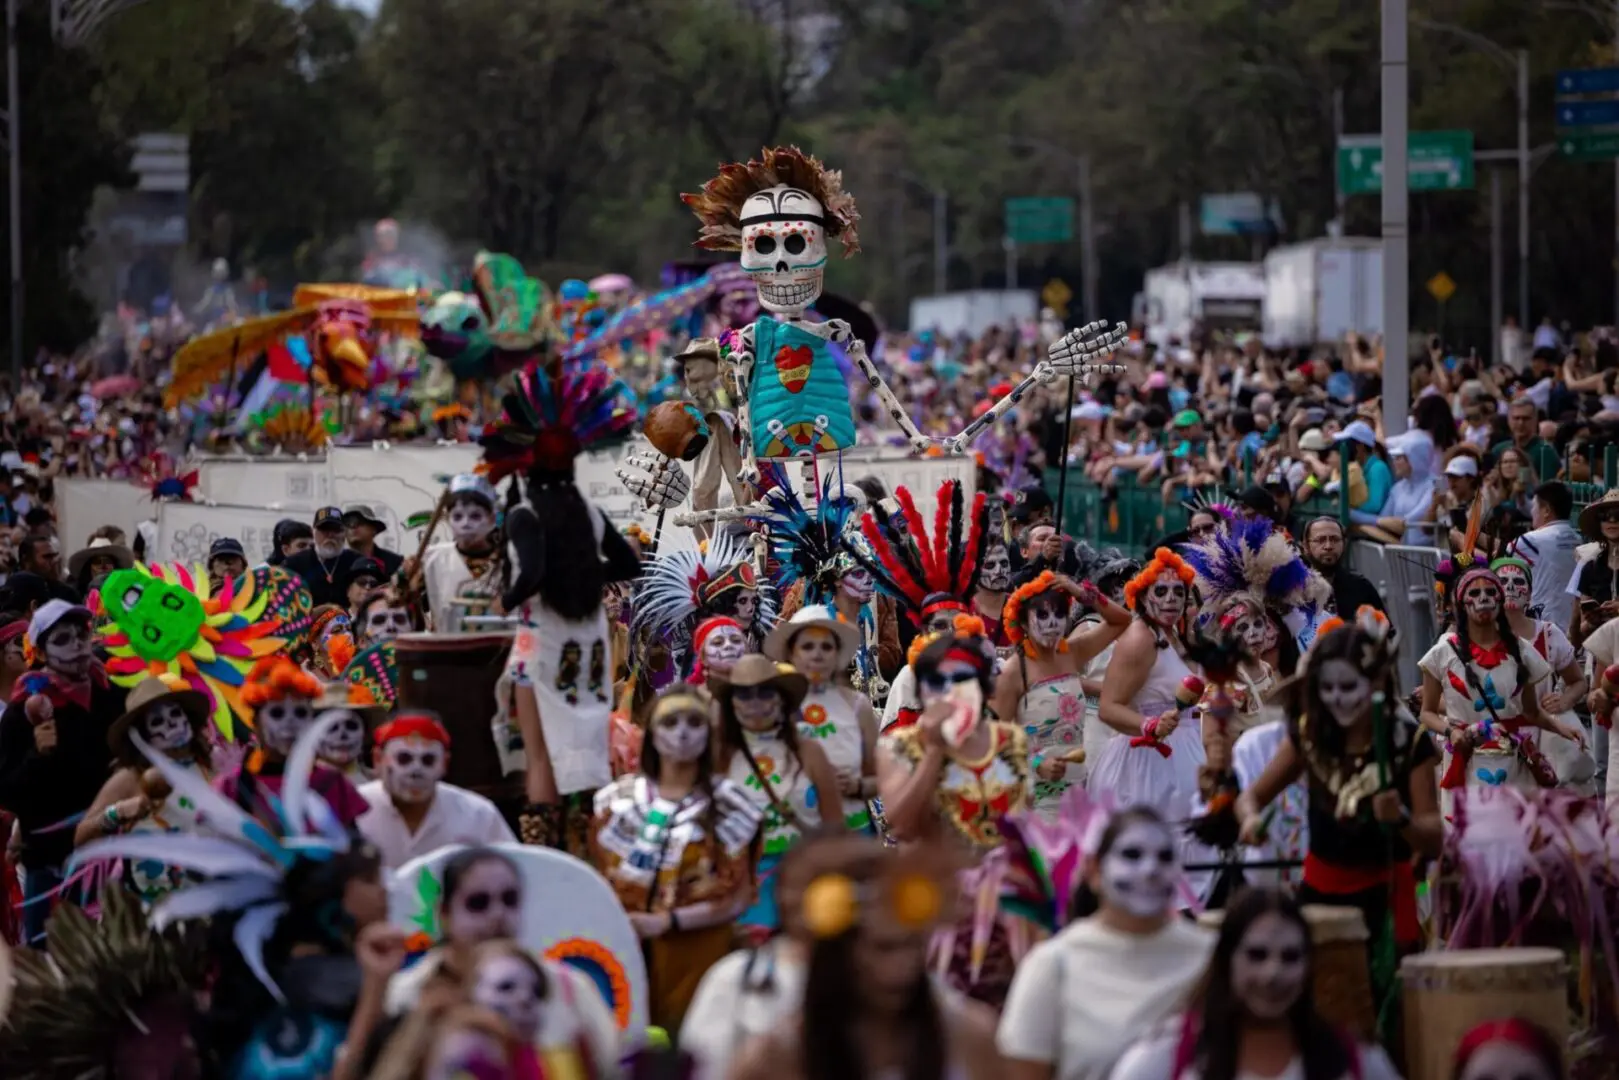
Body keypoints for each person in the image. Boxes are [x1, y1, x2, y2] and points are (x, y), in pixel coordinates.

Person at [1236, 615, 1442, 1011]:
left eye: (1349, 687)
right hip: (1320, 895)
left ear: (1377, 684)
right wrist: (1248, 820)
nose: (1338, 699)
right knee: (1322, 1004)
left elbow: (1433, 838)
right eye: (1327, 688)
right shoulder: (1311, 736)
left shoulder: (1408, 742)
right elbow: (1251, 797)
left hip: (1388, 895)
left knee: (1391, 1008)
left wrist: (1400, 817)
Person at [483, 356, 642, 854]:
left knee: (540, 755)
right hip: (590, 644)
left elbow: (529, 573)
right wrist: (585, 574)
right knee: (586, 741)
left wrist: (506, 599)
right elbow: (628, 564)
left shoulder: (525, 514)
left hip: (542, 642)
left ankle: (547, 847)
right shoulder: (588, 512)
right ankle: (588, 840)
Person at [727, 835, 1003, 1080]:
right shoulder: (776, 1057)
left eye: (912, 946)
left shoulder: (969, 1038)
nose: (901, 968)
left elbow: (883, 819)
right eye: (883, 948)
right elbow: (879, 815)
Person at [997, 806, 1216, 1080]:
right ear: (1094, 871)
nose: (1150, 870)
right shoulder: (1052, 965)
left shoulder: (1213, 956)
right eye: (1132, 855)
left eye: (1165, 857)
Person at [590, 686, 762, 1030]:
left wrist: (671, 922)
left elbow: (739, 894)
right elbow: (594, 880)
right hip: (626, 948)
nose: (682, 733)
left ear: (708, 733)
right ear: (651, 733)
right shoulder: (614, 801)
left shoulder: (734, 804)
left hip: (699, 952)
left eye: (694, 722)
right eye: (670, 722)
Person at [1107, 888, 1400, 1080]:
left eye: (1290, 957)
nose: (1273, 974)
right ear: (1226, 960)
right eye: (1256, 955)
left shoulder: (1353, 1059)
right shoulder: (1167, 1057)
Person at [0, 599, 125, 946]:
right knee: (47, 962)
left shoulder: (114, 696)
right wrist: (37, 756)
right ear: (40, 651)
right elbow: (7, 791)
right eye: (62, 639)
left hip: (110, 855)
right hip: (49, 861)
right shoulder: (22, 713)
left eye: (82, 636)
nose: (77, 646)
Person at [1417, 566, 1580, 795]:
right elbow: (1427, 712)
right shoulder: (1442, 653)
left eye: (1491, 592)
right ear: (1462, 604)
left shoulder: (1522, 651)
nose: (1483, 598)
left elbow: (1531, 712)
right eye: (1474, 593)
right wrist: (1451, 732)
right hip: (1465, 759)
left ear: (1500, 601)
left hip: (1511, 762)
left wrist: (1563, 729)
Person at [713, 654, 843, 938]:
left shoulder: (809, 752)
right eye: (744, 695)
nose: (754, 703)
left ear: (781, 698)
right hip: (744, 888)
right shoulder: (718, 758)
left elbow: (835, 828)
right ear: (731, 703)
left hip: (805, 882)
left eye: (764, 692)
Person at [991, 571, 1131, 812]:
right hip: (1034, 797)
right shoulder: (1014, 672)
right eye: (1042, 615)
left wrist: (1083, 593)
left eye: (1059, 614)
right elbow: (996, 742)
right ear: (1023, 622)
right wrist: (1036, 763)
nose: (1052, 623)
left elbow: (1122, 620)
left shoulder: (1072, 653)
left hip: (1077, 790)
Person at [73, 673, 216, 901]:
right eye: (156, 721)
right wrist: (117, 812)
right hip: (156, 905)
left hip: (213, 895)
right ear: (144, 736)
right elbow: (81, 837)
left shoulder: (211, 765)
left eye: (175, 713)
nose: (170, 723)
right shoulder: (131, 778)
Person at [766, 606, 881, 832]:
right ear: (791, 654)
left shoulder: (858, 706)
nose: (817, 654)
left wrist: (857, 786)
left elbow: (879, 778)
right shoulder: (775, 707)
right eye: (807, 647)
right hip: (794, 837)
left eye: (826, 647)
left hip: (852, 834)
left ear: (837, 654)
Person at [356, 710, 516, 871]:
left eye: (428, 760)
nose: (416, 770)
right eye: (404, 759)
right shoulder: (351, 810)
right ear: (378, 760)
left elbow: (516, 870)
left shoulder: (477, 815)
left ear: (444, 764)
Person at [417, 473, 503, 632]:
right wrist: (403, 581)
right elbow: (398, 596)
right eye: (457, 517)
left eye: (475, 516)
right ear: (448, 519)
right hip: (447, 650)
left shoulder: (509, 560)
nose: (466, 524)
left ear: (491, 520)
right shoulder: (432, 558)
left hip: (500, 650)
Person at [1506, 480, 1580, 630]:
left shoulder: (1531, 540)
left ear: (1546, 511)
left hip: (1544, 626)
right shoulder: (1578, 539)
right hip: (1573, 625)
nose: (1532, 512)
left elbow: (1502, 556)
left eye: (1534, 506)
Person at [285, 506, 367, 608]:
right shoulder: (293, 565)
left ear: (345, 534)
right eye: (324, 529)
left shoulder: (358, 562)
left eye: (336, 530)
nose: (330, 535)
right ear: (313, 533)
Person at [1301, 518, 1382, 618]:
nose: (1328, 546)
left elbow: (1386, 630)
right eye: (1320, 540)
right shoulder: (1294, 590)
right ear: (1305, 546)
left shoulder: (1361, 587)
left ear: (1344, 544)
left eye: (1335, 539)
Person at [1489, 397, 1559, 482]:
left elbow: (1548, 489)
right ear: (1509, 420)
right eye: (1516, 418)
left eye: (1526, 418)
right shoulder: (1498, 450)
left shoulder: (1545, 452)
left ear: (1535, 420)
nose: (1520, 423)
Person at [344, 504, 404, 578]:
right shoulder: (335, 565)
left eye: (359, 521)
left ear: (374, 529)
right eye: (347, 523)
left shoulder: (394, 563)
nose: (353, 526)